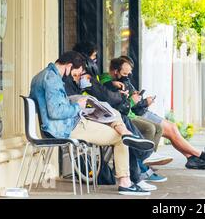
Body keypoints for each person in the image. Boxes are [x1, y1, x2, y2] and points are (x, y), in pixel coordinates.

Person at [29, 51, 153, 196]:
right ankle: (125, 182)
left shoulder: (42, 75)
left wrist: (79, 106)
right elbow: (56, 112)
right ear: (69, 66)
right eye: (75, 74)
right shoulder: (52, 79)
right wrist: (78, 107)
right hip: (66, 128)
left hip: (64, 124)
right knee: (120, 139)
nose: (73, 77)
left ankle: (124, 131)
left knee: (111, 114)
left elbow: (53, 107)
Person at [72, 41, 169, 183]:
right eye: (93, 57)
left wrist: (134, 100)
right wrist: (121, 95)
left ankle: (138, 166)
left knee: (125, 126)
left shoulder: (90, 77)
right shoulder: (87, 77)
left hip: (97, 113)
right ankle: (141, 162)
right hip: (88, 116)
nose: (95, 60)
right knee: (124, 130)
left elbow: (101, 92)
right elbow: (105, 95)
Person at [112, 56, 205, 170]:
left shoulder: (123, 80)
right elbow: (126, 104)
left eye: (129, 72)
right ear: (116, 71)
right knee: (169, 129)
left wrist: (140, 99)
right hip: (138, 112)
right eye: (125, 73)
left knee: (172, 128)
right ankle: (198, 155)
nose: (128, 76)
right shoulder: (113, 83)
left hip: (140, 111)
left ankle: (191, 157)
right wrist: (143, 102)